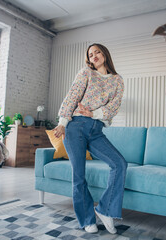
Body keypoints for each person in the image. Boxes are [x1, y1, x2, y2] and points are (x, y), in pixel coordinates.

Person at [53, 43, 127, 234]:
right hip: (75, 126)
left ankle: (105, 210)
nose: (94, 55)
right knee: (78, 176)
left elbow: (114, 107)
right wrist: (62, 122)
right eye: (90, 54)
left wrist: (94, 114)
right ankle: (86, 219)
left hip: (96, 129)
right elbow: (73, 96)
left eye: (97, 52)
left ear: (105, 54)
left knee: (119, 163)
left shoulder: (117, 80)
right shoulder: (86, 73)